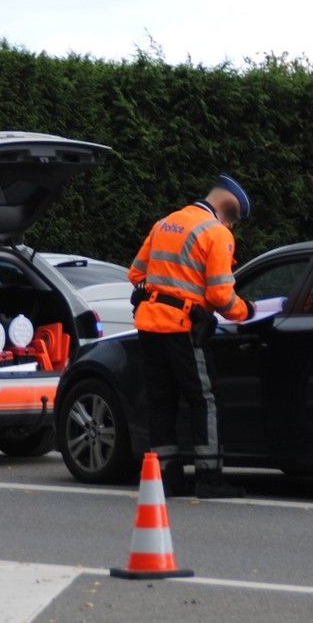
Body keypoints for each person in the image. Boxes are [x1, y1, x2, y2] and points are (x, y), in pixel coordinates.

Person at [128, 175, 254, 499]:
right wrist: (247, 311)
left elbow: (136, 273)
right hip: (182, 327)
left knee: (161, 403)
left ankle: (168, 479)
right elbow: (222, 294)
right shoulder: (217, 233)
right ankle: (210, 478)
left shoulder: (165, 223)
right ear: (230, 213)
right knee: (205, 400)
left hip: (149, 326)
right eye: (234, 223)